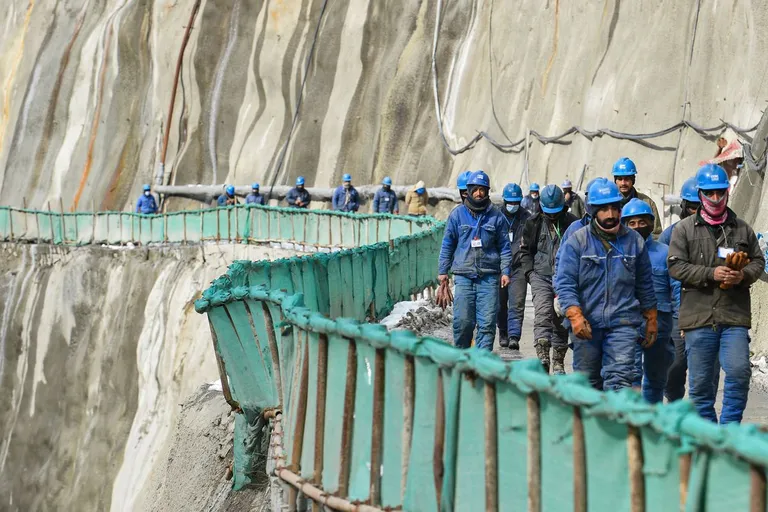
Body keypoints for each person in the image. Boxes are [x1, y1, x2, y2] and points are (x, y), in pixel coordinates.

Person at [668, 164, 765, 424]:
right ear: (700, 195)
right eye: (709, 193)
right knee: (700, 387)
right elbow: (676, 266)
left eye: (719, 192)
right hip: (698, 319)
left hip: (733, 317)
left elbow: (758, 262)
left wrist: (742, 275)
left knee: (738, 372)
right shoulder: (684, 230)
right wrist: (712, 274)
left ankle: (729, 432)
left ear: (727, 192)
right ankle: (709, 438)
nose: (714, 198)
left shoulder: (742, 229)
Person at [555, 178, 657, 391]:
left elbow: (645, 284)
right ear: (592, 210)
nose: (611, 215)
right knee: (588, 385)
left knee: (619, 382)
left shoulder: (634, 242)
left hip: (623, 323)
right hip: (587, 325)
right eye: (604, 209)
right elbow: (565, 282)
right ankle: (590, 425)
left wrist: (651, 318)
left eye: (614, 208)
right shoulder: (577, 242)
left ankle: (616, 425)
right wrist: (574, 315)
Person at [438, 170, 512, 351]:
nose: (479, 193)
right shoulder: (457, 215)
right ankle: (462, 362)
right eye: (475, 189)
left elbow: (504, 246)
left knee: (487, 325)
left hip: (488, 278)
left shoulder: (496, 217)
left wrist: (506, 271)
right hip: (463, 277)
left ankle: (481, 367)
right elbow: (447, 244)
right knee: (462, 323)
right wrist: (442, 272)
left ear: (487, 191)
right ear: (468, 191)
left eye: (483, 190)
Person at [520, 184, 577, 374]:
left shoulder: (572, 224)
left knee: (560, 317)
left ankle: (558, 361)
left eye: (556, 212)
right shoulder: (533, 223)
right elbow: (526, 251)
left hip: (564, 277)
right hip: (540, 275)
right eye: (548, 212)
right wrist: (529, 273)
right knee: (543, 312)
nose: (552, 216)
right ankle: (542, 356)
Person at [621, 199, 674, 403]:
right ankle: (633, 423)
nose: (637, 227)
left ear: (651, 224)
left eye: (642, 222)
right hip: (628, 320)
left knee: (656, 375)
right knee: (630, 374)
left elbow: (676, 288)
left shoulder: (665, 253)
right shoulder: (618, 252)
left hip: (660, 321)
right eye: (631, 223)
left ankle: (652, 420)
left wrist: (680, 317)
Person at [660, 177, 700, 402]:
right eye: (692, 207)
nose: (696, 212)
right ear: (684, 206)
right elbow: (666, 276)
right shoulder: (670, 235)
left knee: (703, 371)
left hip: (705, 310)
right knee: (674, 365)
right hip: (676, 311)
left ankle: (700, 414)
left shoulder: (719, 233)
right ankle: (675, 403)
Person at [497, 183, 531, 350]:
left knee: (517, 302)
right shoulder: (496, 216)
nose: (513, 205)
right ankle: (502, 331)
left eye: (516, 202)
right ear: (504, 201)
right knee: (500, 302)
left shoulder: (527, 218)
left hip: (518, 267)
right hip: (499, 266)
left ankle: (514, 336)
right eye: (510, 202)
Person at [612, 157, 662, 236]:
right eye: (620, 179)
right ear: (615, 181)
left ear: (633, 180)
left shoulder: (647, 202)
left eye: (627, 179)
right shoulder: (609, 204)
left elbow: (656, 234)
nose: (623, 183)